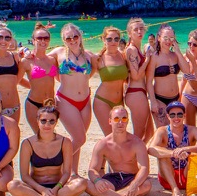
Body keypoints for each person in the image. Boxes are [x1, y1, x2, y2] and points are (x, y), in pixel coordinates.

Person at [8, 100, 87, 196]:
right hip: (36, 187)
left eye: (51, 121)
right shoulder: (28, 143)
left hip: (58, 187)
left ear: (56, 122)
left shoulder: (65, 142)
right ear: (37, 121)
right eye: (43, 121)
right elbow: (25, 176)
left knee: (81, 183)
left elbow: (67, 173)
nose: (47, 125)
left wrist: (55, 189)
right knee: (12, 185)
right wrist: (43, 190)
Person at [50, 23, 95, 171]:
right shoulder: (58, 53)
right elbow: (40, 58)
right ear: (64, 40)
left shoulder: (89, 55)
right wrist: (24, 51)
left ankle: (73, 172)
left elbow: (97, 68)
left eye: (75, 36)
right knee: (80, 138)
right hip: (66, 100)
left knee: (78, 138)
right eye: (68, 38)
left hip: (85, 101)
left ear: (80, 36)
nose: (72, 40)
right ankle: (57, 165)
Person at [148, 101, 197, 196]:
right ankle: (175, 190)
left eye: (179, 114)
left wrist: (186, 149)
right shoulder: (162, 131)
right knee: (163, 156)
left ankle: (192, 189)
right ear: (168, 116)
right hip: (168, 177)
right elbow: (151, 149)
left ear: (184, 116)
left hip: (188, 175)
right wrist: (173, 153)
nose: (176, 118)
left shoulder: (192, 130)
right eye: (172, 115)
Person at [84, 106, 151, 196]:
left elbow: (144, 168)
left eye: (124, 119)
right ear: (110, 121)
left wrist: (135, 184)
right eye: (116, 119)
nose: (120, 122)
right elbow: (92, 169)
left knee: (147, 185)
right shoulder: (103, 144)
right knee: (88, 184)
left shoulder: (137, 143)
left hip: (132, 177)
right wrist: (98, 181)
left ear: (127, 121)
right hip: (113, 178)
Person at [21, 23, 59, 135]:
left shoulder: (53, 60)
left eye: (46, 38)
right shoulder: (26, 61)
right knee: (39, 135)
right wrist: (32, 86)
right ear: (33, 41)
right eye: (39, 38)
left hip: (50, 104)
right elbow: (17, 80)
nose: (43, 41)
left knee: (49, 135)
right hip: (33, 103)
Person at [94, 26, 129, 136]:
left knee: (120, 135)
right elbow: (85, 76)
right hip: (102, 101)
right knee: (110, 136)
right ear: (103, 39)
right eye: (109, 39)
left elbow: (128, 78)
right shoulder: (98, 58)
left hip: (120, 102)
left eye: (116, 39)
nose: (113, 42)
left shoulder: (123, 55)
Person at [146, 24, 183, 129]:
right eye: (165, 38)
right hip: (160, 99)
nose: (168, 41)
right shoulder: (154, 57)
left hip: (175, 98)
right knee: (163, 131)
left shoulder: (175, 55)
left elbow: (187, 70)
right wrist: (153, 102)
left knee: (175, 131)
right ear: (159, 38)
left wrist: (178, 52)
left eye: (171, 38)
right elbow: (149, 81)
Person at [124, 17, 153, 142]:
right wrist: (147, 60)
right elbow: (135, 76)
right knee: (139, 134)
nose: (139, 32)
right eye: (136, 30)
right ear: (130, 33)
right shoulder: (131, 50)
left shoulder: (137, 48)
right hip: (136, 93)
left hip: (139, 92)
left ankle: (138, 152)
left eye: (142, 29)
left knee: (150, 133)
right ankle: (130, 153)